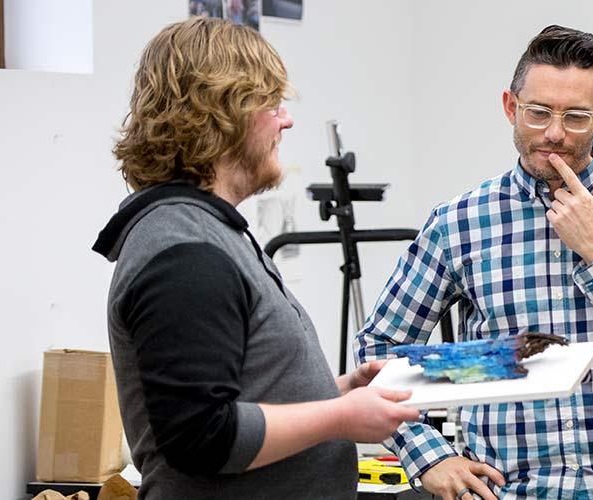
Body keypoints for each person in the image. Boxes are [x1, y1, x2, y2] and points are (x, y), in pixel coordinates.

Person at [356, 25, 593, 500]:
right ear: (510, 107)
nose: (555, 133)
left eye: (576, 117)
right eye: (538, 113)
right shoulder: (459, 221)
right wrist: (428, 456)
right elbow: (379, 348)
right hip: (509, 491)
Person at [92, 18, 420, 499]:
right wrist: (340, 417)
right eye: (271, 104)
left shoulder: (210, 234)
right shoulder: (184, 254)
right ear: (225, 112)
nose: (285, 120)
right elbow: (202, 435)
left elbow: (245, 392)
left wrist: (340, 391)